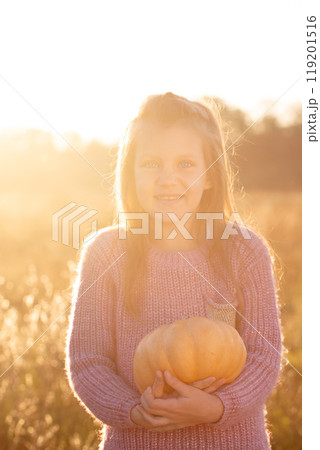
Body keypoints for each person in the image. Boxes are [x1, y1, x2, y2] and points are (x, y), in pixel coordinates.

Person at [65, 92, 283, 449]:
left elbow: (264, 356)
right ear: (131, 173)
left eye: (185, 164)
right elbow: (88, 363)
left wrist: (216, 407)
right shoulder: (106, 253)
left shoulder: (244, 250)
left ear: (210, 175)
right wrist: (136, 410)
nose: (168, 179)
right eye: (151, 163)